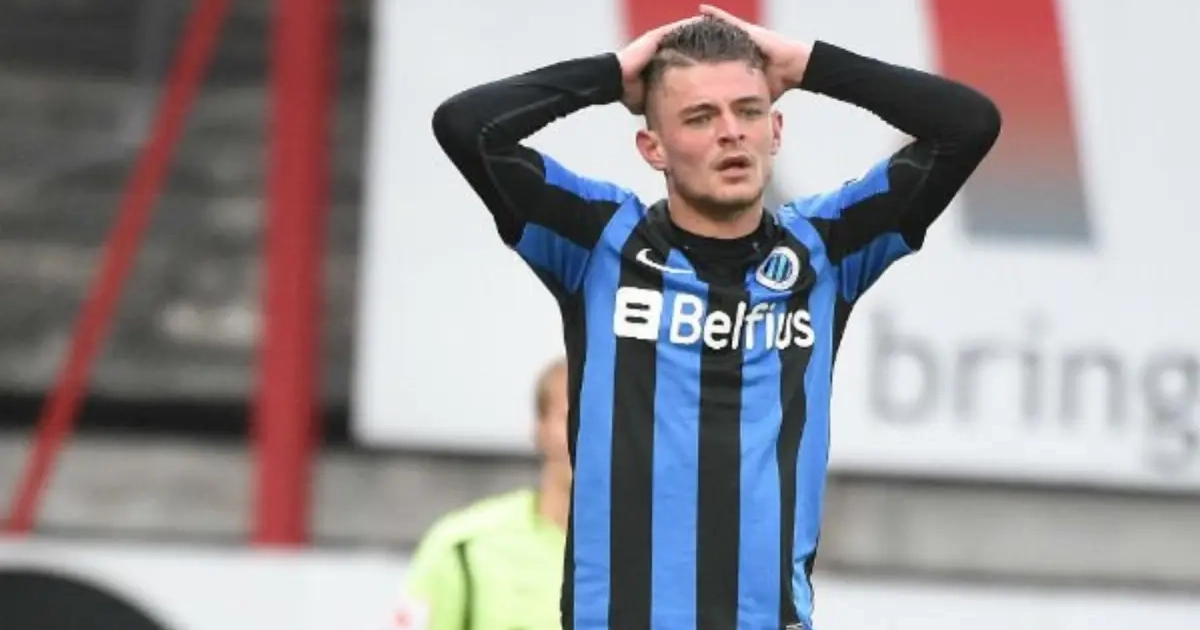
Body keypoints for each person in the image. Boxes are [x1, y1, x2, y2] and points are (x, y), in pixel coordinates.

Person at [431, 5, 1001, 630]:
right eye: (700, 117)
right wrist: (609, 76)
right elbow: (467, 127)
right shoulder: (598, 241)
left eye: (748, 111)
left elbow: (967, 125)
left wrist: (809, 65)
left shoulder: (826, 248)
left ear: (776, 131)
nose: (731, 133)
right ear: (653, 147)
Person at [392, 358, 572, 630]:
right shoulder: (464, 548)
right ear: (540, 428)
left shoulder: (643, 555)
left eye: (616, 421)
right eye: (576, 418)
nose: (596, 438)